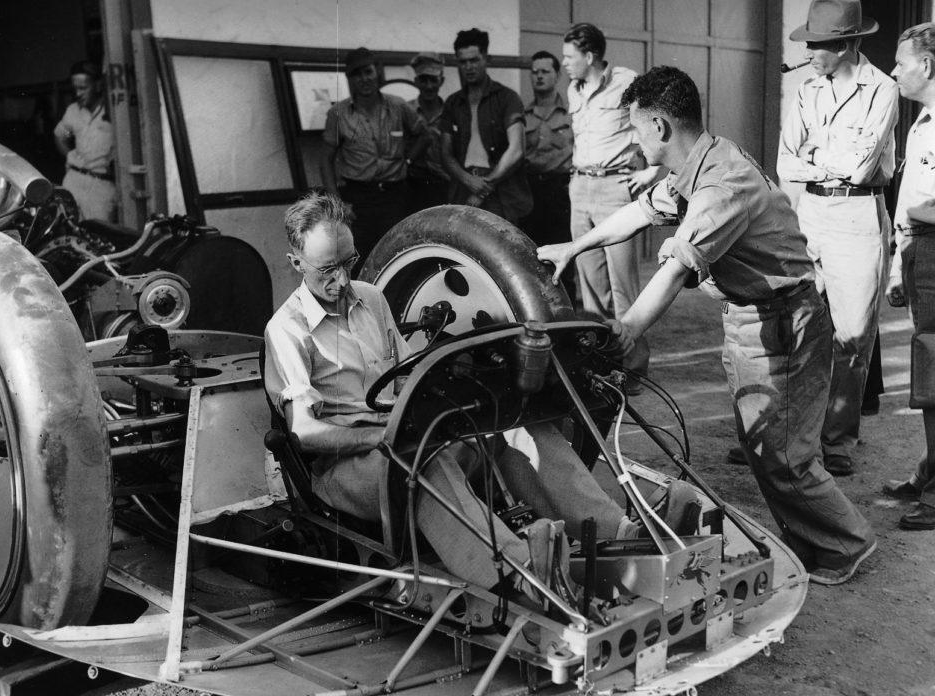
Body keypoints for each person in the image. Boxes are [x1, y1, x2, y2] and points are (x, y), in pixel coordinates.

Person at [538, 66, 876, 586]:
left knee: (783, 454)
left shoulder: (721, 184)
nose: (632, 141)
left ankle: (846, 545)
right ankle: (813, 545)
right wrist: (575, 246)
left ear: (659, 127)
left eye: (634, 129)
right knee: (766, 449)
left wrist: (628, 328)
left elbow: (674, 269)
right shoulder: (695, 166)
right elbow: (638, 214)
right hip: (752, 316)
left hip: (783, 321)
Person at [263, 190, 696, 595]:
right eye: (326, 271)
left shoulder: (372, 299)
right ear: (295, 262)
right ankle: (522, 572)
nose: (341, 279)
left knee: (513, 428)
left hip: (398, 436)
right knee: (419, 459)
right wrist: (385, 438)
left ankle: (623, 535)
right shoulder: (287, 330)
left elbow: (403, 378)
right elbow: (305, 433)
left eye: (349, 262)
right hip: (345, 470)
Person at [775, 0, 897, 477]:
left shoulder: (882, 89)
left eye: (820, 45)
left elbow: (861, 167)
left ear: (848, 44)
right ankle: (785, 435)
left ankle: (837, 439)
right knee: (795, 330)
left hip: (858, 214)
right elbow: (787, 163)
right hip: (813, 214)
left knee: (850, 337)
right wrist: (828, 157)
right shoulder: (805, 91)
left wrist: (816, 153)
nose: (811, 53)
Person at [561, 23, 662, 380]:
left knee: (623, 287)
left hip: (613, 189)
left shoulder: (625, 81)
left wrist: (653, 171)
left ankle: (632, 368)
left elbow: (657, 121)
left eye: (569, 57)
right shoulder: (574, 89)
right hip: (581, 187)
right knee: (589, 288)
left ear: (590, 56)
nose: (564, 64)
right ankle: (599, 365)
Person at [882, 23, 935, 531]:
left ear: (928, 66)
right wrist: (903, 260)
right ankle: (930, 472)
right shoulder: (923, 121)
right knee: (928, 370)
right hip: (922, 249)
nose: (895, 70)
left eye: (902, 62)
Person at [322, 47, 428, 271]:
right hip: (359, 200)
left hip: (396, 197)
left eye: (368, 71)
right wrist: (337, 203)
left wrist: (408, 161)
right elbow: (325, 161)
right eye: (357, 74)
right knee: (359, 261)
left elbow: (424, 134)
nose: (364, 79)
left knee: (398, 257)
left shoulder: (398, 106)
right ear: (350, 79)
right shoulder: (338, 114)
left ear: (377, 72)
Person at [440, 28, 532, 225]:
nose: (469, 67)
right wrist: (468, 180)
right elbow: (446, 155)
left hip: (501, 191)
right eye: (463, 62)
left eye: (474, 60)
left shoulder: (507, 98)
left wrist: (486, 185)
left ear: (486, 58)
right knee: (462, 249)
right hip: (463, 190)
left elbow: (516, 150)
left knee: (499, 250)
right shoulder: (452, 103)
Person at [519, 51, 574, 270]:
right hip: (530, 190)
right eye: (534, 72)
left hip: (561, 191)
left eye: (545, 71)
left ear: (557, 75)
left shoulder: (571, 113)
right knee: (531, 255)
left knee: (564, 255)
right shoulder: (523, 114)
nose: (539, 76)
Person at [53, 60, 116, 222]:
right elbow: (60, 136)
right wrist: (69, 155)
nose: (78, 94)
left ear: (97, 85)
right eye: (75, 89)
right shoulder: (73, 111)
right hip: (74, 180)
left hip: (101, 185)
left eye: (83, 88)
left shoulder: (113, 111)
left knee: (100, 233)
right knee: (68, 228)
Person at [406, 52, 450, 213]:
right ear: (416, 81)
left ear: (442, 81)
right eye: (424, 80)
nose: (429, 86)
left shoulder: (452, 113)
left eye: (434, 79)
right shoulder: (406, 111)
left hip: (444, 188)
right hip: (412, 189)